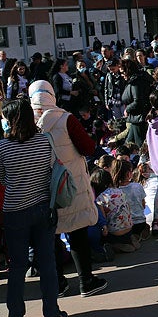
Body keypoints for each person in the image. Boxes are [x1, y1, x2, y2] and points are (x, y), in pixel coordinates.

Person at [0, 98, 69, 317]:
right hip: (42, 207)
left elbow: (3, 179)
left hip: (15, 211)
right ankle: (52, 314)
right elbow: (50, 171)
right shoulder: (44, 141)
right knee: (47, 263)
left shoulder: (2, 147)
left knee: (17, 266)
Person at [28, 81, 107, 298]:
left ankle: (58, 283)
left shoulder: (25, 122)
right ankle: (86, 281)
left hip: (42, 188)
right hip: (70, 185)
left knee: (50, 237)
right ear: (51, 95)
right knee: (77, 232)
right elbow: (88, 147)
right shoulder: (66, 119)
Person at [120, 59, 153, 146]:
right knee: (128, 143)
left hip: (139, 118)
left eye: (123, 72)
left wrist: (127, 109)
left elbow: (138, 101)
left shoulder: (136, 82)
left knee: (138, 144)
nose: (122, 75)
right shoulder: (138, 79)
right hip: (137, 118)